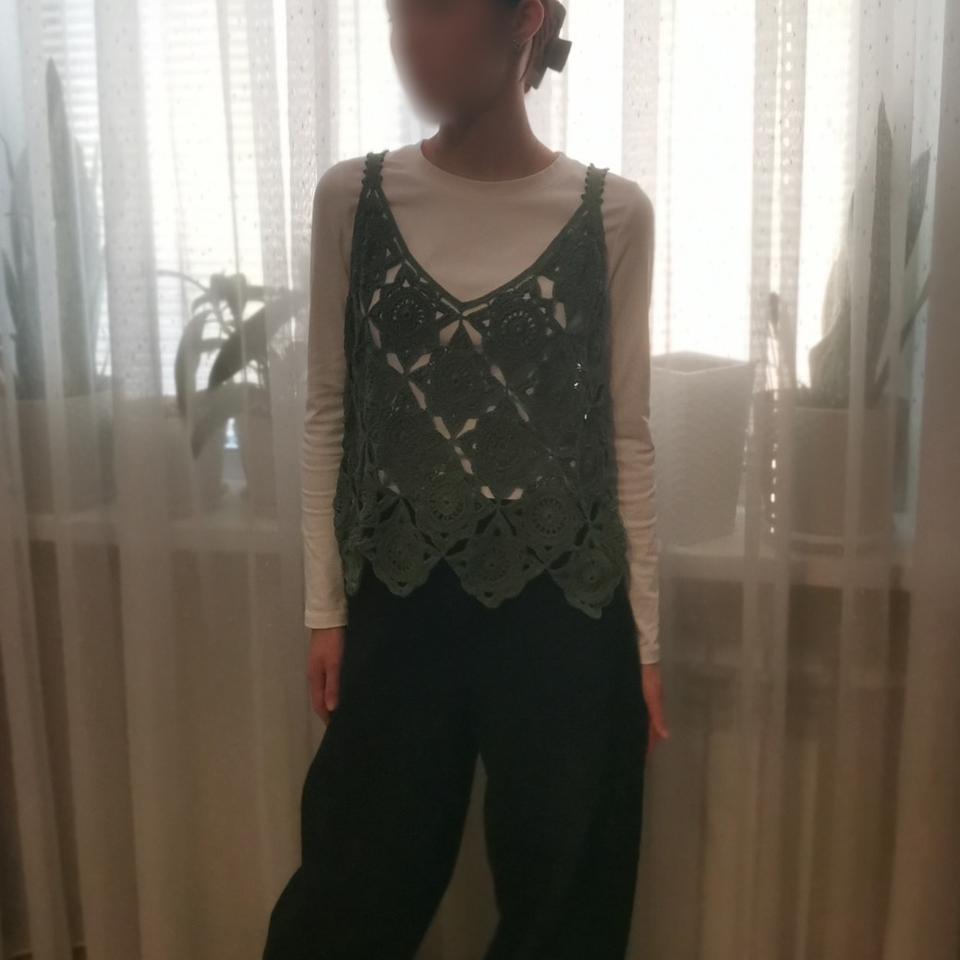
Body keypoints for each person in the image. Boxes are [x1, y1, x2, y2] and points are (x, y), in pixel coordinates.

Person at [263, 1, 670, 957]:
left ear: (523, 18)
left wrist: (645, 644)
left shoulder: (614, 213)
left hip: (568, 609)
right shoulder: (353, 198)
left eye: (436, 10)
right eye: (398, 12)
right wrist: (326, 611)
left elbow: (626, 434)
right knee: (351, 889)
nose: (408, 37)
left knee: (567, 903)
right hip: (400, 596)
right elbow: (328, 411)